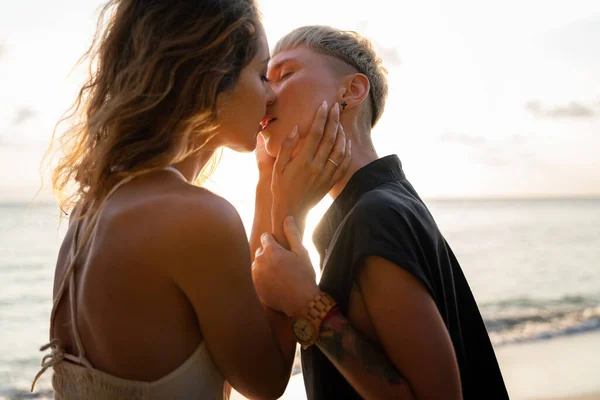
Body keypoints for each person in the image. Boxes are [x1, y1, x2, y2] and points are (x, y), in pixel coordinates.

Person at [31, 2, 348, 398]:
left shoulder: (91, 210)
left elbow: (228, 334)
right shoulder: (194, 218)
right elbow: (263, 380)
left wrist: (268, 184)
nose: (271, 95)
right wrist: (289, 210)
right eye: (262, 74)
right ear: (212, 77)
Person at [252, 25, 509, 399]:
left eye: (285, 74)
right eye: (263, 81)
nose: (265, 95)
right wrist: (267, 183)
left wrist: (308, 305)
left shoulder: (376, 215)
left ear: (352, 91)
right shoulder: (376, 205)